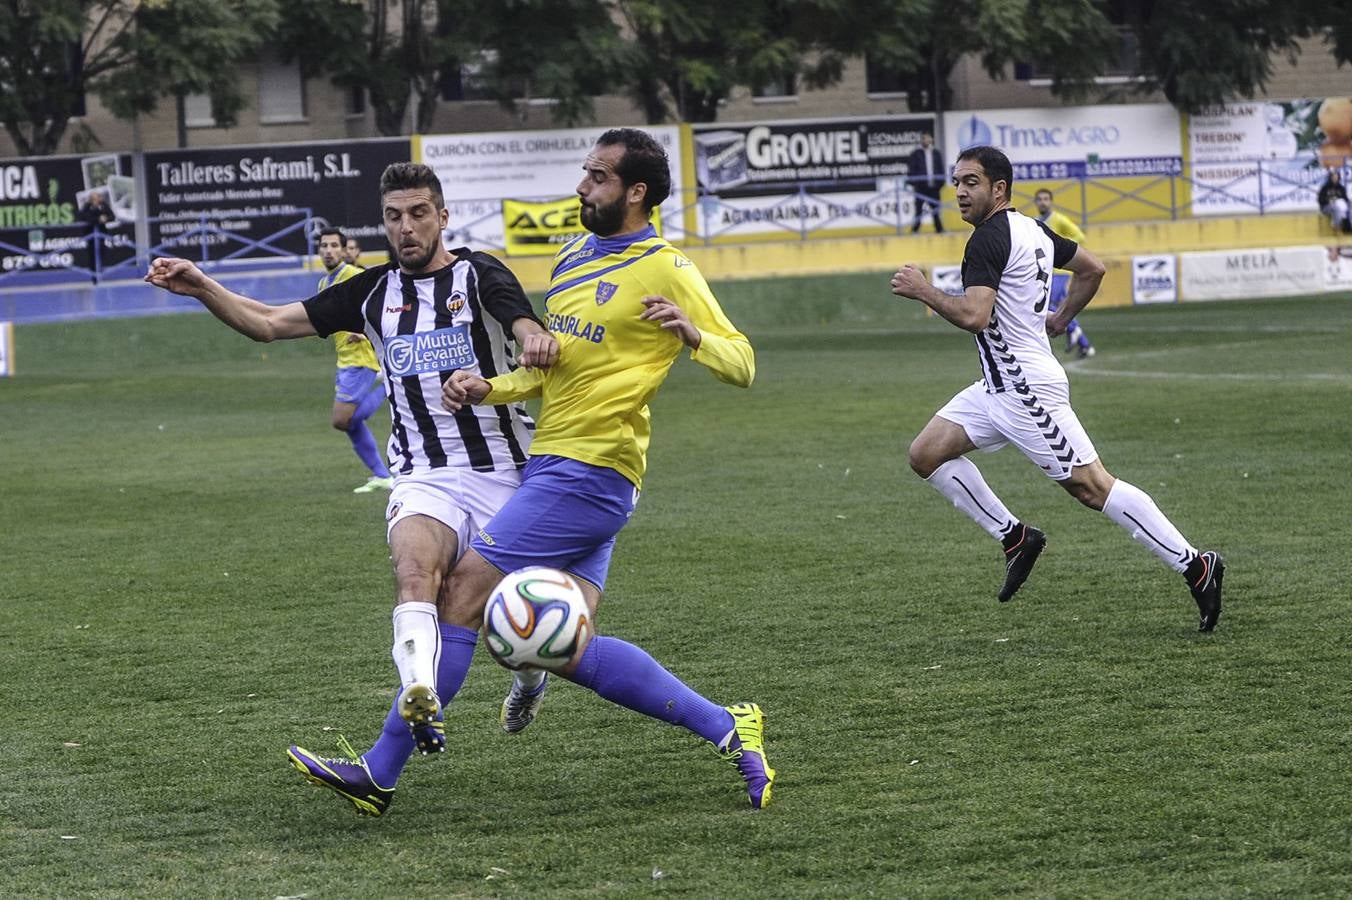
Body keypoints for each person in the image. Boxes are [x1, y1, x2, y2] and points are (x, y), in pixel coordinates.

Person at [285, 128, 774, 817]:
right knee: (566, 646)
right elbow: (559, 368)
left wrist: (693, 336)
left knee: (459, 596)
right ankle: (730, 726)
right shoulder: (575, 256)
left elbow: (743, 363)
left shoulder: (668, 268)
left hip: (592, 468)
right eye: (585, 173)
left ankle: (379, 771)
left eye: (598, 177)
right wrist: (494, 388)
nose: (582, 186)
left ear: (635, 192)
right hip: (556, 461)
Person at [146, 163, 558, 816]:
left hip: (507, 475)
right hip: (424, 475)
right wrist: (201, 286)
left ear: (443, 216)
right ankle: (419, 694)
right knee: (416, 571)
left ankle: (531, 679)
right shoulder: (369, 294)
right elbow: (269, 323)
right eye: (394, 216)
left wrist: (534, 339)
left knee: (518, 631)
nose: (406, 227)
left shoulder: (480, 273)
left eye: (419, 212)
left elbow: (522, 321)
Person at [889, 145, 1225, 633]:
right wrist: (1061, 319)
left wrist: (923, 290)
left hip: (1026, 391)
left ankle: (1196, 566)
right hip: (995, 388)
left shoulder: (986, 240)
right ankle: (1015, 538)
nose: (959, 192)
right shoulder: (1035, 230)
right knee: (925, 454)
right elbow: (1092, 268)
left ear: (998, 189)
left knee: (1093, 487)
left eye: (971, 182)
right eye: (956, 182)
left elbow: (974, 316)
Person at [315, 227, 394, 493]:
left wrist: (363, 332)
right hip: (344, 361)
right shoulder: (324, 283)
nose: (328, 251)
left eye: (333, 246)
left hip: (361, 360)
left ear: (343, 249)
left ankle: (388, 387)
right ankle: (382, 475)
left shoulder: (353, 275)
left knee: (342, 420)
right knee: (349, 422)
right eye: (324, 246)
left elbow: (383, 304)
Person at [1033, 189, 1095, 358]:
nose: (1043, 202)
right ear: (1036, 203)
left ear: (1051, 201)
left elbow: (1079, 236)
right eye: (1039, 199)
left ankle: (1073, 329)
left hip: (1060, 270)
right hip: (1045, 271)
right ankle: (1085, 345)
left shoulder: (1058, 219)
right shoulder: (1036, 222)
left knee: (1049, 302)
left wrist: (1061, 250)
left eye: (1046, 199)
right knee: (1062, 307)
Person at [906, 132, 946, 233]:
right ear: (921, 140)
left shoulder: (936, 153)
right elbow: (911, 170)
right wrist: (915, 183)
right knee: (918, 210)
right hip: (921, 187)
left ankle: (939, 229)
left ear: (931, 139)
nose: (926, 140)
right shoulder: (916, 154)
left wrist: (940, 183)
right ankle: (915, 230)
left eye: (928, 138)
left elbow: (941, 169)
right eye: (924, 138)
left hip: (934, 187)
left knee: (936, 209)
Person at [1317, 169, 1351, 234]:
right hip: (1326, 207)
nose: (1335, 178)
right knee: (1337, 208)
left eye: (1336, 177)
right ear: (1330, 178)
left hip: (1340, 206)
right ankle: (1336, 227)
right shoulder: (1325, 187)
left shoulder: (1341, 188)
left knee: (1348, 209)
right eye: (1333, 177)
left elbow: (1345, 198)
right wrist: (1329, 201)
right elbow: (1320, 200)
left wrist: (1348, 202)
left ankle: (1349, 228)